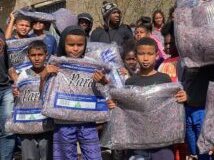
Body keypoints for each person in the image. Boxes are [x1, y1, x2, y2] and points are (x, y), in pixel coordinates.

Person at [107, 37, 187, 160]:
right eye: (141, 54)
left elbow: (173, 104)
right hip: (137, 144)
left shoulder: (164, 79)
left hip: (162, 144)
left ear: (156, 55)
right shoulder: (130, 81)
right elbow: (127, 110)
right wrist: (115, 105)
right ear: (136, 55)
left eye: (149, 54)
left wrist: (183, 97)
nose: (145, 58)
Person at [40, 26, 109, 160]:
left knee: (94, 156)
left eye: (80, 45)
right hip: (63, 122)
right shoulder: (55, 65)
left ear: (85, 45)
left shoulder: (92, 65)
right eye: (71, 45)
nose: (76, 48)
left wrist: (103, 81)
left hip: (87, 123)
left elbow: (107, 91)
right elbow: (43, 95)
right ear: (63, 44)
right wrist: (43, 76)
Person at [11, 40, 54, 160]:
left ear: (46, 55)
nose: (36, 58)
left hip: (46, 125)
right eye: (33, 55)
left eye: (40, 55)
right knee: (29, 156)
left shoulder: (52, 73)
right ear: (28, 56)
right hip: (27, 126)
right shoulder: (24, 74)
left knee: (47, 156)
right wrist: (15, 92)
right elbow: (18, 95)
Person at [158, 21, 186, 160]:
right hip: (167, 113)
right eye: (166, 44)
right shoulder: (163, 64)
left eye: (171, 43)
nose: (167, 46)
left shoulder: (186, 61)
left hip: (183, 110)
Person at [0, 27, 15, 160]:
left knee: (8, 130)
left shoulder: (1, 33)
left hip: (5, 88)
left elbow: (8, 63)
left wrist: (17, 81)